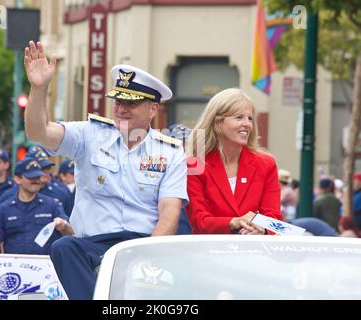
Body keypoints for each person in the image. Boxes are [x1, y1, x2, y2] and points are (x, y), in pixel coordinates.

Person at [23, 41, 188, 299]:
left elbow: (169, 213)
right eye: (118, 101)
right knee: (64, 248)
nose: (121, 108)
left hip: (140, 244)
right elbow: (38, 132)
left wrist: (149, 256)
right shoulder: (90, 134)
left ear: (153, 109)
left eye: (131, 103)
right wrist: (39, 88)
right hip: (93, 244)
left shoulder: (170, 151)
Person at [185, 88, 282, 235]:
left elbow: (273, 217)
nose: (247, 124)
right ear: (217, 123)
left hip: (254, 252)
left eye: (249, 118)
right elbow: (199, 220)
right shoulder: (194, 164)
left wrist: (262, 230)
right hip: (209, 252)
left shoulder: (266, 164)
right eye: (239, 117)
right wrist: (233, 222)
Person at [0, 157, 73, 255]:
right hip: (14, 267)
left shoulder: (52, 205)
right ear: (18, 179)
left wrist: (63, 225)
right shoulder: (4, 209)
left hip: (45, 266)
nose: (36, 181)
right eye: (31, 177)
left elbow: (70, 232)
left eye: (38, 177)